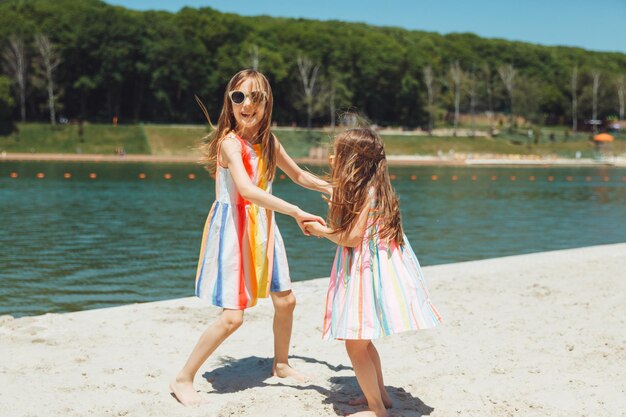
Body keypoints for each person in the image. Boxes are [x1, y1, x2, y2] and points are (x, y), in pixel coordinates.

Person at [170, 69, 330, 406]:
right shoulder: (229, 142)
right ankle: (183, 378)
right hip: (234, 232)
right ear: (229, 102)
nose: (247, 104)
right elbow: (246, 190)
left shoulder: (269, 141)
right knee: (233, 317)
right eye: (239, 96)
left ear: (266, 103)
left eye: (255, 97)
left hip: (264, 229)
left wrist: (333, 188)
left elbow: (298, 174)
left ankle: (281, 364)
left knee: (286, 301)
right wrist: (296, 211)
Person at [304, 127, 442, 417]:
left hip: (365, 273)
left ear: (353, 161)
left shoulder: (366, 193)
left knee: (355, 344)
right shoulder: (374, 188)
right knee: (363, 340)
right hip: (372, 269)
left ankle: (377, 409)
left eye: (338, 154)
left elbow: (352, 238)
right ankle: (379, 396)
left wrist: (321, 231)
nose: (332, 158)